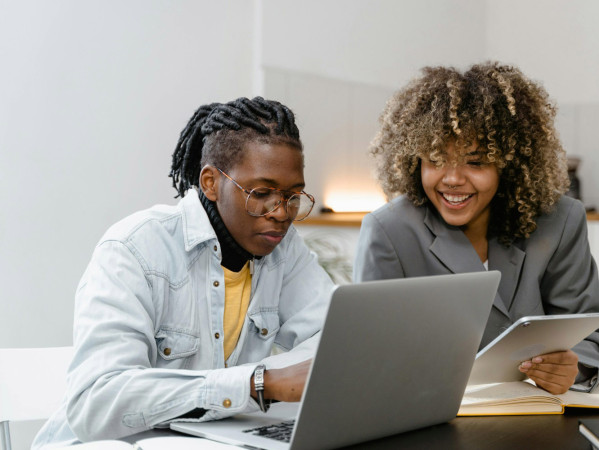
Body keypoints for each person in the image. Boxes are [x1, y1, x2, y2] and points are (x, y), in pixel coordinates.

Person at [33, 97, 334, 448]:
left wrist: (279, 378)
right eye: (262, 193)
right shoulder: (134, 248)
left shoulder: (284, 249)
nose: (281, 213)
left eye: (293, 195)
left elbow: (331, 341)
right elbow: (96, 404)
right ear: (210, 182)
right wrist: (256, 384)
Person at [354, 62, 599, 395]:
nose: (453, 179)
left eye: (476, 161)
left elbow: (588, 329)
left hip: (542, 416)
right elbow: (369, 356)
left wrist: (574, 365)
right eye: (436, 159)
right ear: (415, 160)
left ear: (508, 164)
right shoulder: (389, 232)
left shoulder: (560, 221)